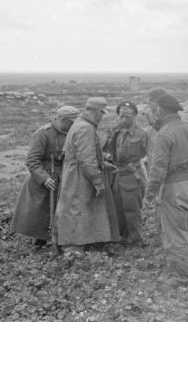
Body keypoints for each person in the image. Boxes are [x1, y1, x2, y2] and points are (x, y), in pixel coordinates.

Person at [145, 94, 188, 284]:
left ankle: (181, 277)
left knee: (175, 235)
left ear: (161, 111)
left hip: (175, 188)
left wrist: (149, 195)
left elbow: (158, 170)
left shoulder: (164, 134)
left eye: (155, 110)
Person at [55, 97, 120, 256]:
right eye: (101, 113)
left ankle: (82, 243)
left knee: (77, 208)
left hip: (75, 173)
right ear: (97, 111)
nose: (101, 117)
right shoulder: (85, 128)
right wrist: (98, 183)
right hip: (80, 176)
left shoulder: (78, 124)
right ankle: (73, 247)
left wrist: (103, 164)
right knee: (77, 209)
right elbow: (86, 160)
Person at [11, 105, 79, 247]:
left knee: (62, 211)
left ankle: (61, 241)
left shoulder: (71, 132)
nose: (74, 124)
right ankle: (39, 243)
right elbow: (32, 160)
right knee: (41, 213)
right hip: (44, 180)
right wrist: (44, 178)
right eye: (72, 121)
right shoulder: (43, 133)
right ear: (63, 119)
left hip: (64, 178)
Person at [105, 101, 149, 246]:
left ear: (135, 116)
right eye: (121, 116)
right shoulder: (117, 133)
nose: (124, 120)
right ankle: (122, 237)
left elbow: (150, 156)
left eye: (128, 116)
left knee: (132, 210)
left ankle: (137, 240)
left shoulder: (142, 134)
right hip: (118, 175)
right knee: (118, 208)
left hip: (133, 176)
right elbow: (112, 153)